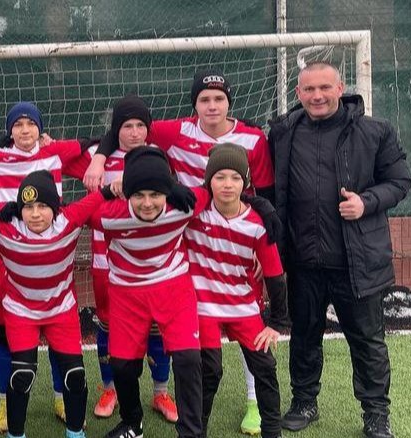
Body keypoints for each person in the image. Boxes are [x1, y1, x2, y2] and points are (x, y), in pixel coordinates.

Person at [87, 71, 278, 432]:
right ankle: (142, 415)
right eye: (204, 99)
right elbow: (127, 125)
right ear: (194, 105)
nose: (212, 106)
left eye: (219, 99)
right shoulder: (174, 134)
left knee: (249, 322)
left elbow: (251, 191)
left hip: (235, 236)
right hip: (190, 240)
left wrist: (262, 222)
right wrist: (100, 163)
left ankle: (252, 404)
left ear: (230, 102)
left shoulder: (252, 139)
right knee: (191, 351)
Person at [269, 61, 411, 438]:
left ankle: (376, 413)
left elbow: (400, 181)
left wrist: (366, 202)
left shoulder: (375, 132)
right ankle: (304, 402)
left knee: (367, 342)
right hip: (303, 262)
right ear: (298, 93)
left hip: (356, 262)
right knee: (304, 336)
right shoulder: (282, 132)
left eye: (324, 88)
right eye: (309, 89)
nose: (317, 96)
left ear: (340, 88)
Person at [63, 95, 178, 423]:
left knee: (155, 326)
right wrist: (95, 155)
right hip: (106, 261)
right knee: (108, 324)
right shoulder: (95, 158)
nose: (135, 132)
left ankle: (160, 392)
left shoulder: (159, 156)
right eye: (127, 126)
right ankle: (109, 388)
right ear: (116, 130)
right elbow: (57, 156)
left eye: (141, 125)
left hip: (150, 261)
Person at [0, 170, 116, 438]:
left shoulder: (69, 219)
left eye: (43, 206)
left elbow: (99, 197)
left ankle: (75, 433)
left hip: (61, 311)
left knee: (75, 375)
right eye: (28, 207)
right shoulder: (4, 226)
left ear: (56, 207)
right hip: (21, 313)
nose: (35, 214)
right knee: (22, 375)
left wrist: (117, 186)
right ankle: (16, 435)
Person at [93, 148, 207, 438]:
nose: (147, 203)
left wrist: (263, 208)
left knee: (189, 360)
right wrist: (106, 190)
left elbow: (223, 189)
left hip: (173, 287)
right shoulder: (108, 215)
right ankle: (133, 423)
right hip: (126, 291)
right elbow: (70, 213)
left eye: (155, 194)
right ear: (126, 194)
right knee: (122, 365)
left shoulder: (185, 205)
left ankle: (192, 432)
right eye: (139, 195)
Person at [188, 144, 289, 438]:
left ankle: (272, 432)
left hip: (243, 306)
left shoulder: (258, 224)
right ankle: (196, 432)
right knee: (209, 371)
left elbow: (275, 276)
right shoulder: (194, 215)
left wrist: (276, 323)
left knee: (265, 366)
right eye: (220, 177)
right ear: (209, 182)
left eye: (235, 177)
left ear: (245, 183)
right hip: (203, 306)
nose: (227, 184)